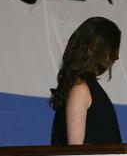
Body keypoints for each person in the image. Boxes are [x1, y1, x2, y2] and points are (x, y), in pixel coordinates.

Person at [50, 17, 122, 145]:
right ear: (98, 48)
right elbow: (76, 153)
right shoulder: (80, 90)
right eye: (114, 50)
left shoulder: (85, 88)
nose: (116, 57)